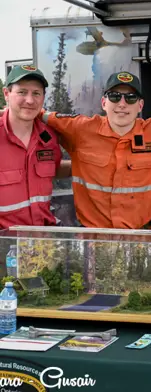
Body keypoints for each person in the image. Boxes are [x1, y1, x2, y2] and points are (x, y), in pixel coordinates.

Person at [37, 71, 151, 229]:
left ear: (140, 105)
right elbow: (36, 114)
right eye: (115, 96)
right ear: (104, 102)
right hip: (93, 237)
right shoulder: (80, 128)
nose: (122, 104)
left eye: (130, 98)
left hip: (142, 236)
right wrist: (7, 114)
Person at [0, 65, 70, 277]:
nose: (29, 100)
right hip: (4, 249)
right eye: (22, 92)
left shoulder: (48, 138)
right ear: (7, 94)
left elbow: (53, 170)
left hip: (43, 245)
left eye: (36, 93)